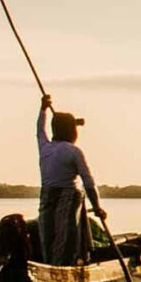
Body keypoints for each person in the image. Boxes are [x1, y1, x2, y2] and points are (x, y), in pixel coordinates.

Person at [36, 93, 106, 269]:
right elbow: (88, 182)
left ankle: (56, 263)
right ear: (70, 131)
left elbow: (40, 130)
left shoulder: (45, 147)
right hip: (66, 196)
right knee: (64, 236)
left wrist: (43, 109)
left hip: (47, 196)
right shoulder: (73, 151)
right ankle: (61, 267)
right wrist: (97, 207)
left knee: (50, 235)